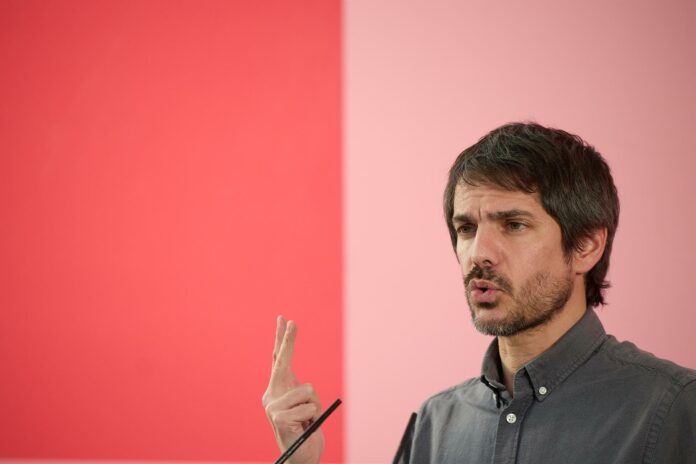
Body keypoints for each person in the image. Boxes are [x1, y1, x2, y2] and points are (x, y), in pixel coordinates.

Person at [262, 123, 696, 463]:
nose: (479, 253)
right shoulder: (435, 422)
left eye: (514, 225)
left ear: (586, 246)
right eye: (466, 228)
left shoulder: (675, 409)